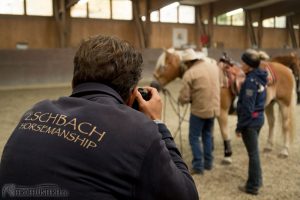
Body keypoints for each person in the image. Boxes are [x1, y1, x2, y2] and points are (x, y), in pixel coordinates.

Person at [0, 35, 199, 200]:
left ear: (73, 81)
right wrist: (157, 123)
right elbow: (187, 195)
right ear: (132, 94)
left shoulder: (34, 113)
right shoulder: (138, 129)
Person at [178, 48, 220, 175]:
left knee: (194, 137)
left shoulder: (189, 73)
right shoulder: (213, 67)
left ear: (188, 62)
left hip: (199, 111)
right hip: (213, 109)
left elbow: (184, 97)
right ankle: (208, 163)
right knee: (207, 135)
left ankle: (198, 165)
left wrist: (181, 100)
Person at [236, 49, 268, 195]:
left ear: (249, 66)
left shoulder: (250, 82)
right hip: (259, 118)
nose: (241, 65)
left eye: (243, 62)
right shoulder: (260, 77)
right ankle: (258, 179)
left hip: (250, 122)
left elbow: (247, 108)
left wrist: (239, 126)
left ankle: (252, 186)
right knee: (254, 152)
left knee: (253, 154)